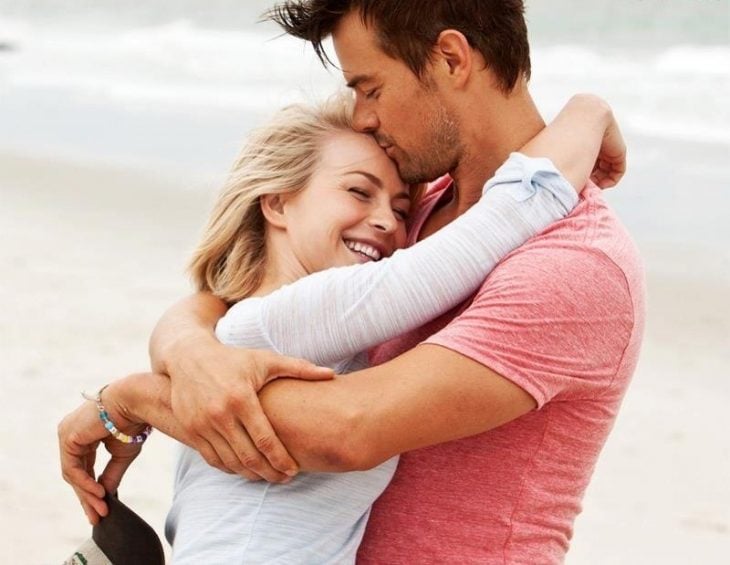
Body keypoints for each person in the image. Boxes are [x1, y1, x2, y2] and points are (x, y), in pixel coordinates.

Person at [137, 2, 644, 562]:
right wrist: (189, 351)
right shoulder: (410, 213)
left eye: (370, 88)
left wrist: (138, 397)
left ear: (451, 59)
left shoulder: (576, 265)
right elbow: (244, 308)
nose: (362, 118)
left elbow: (346, 431)